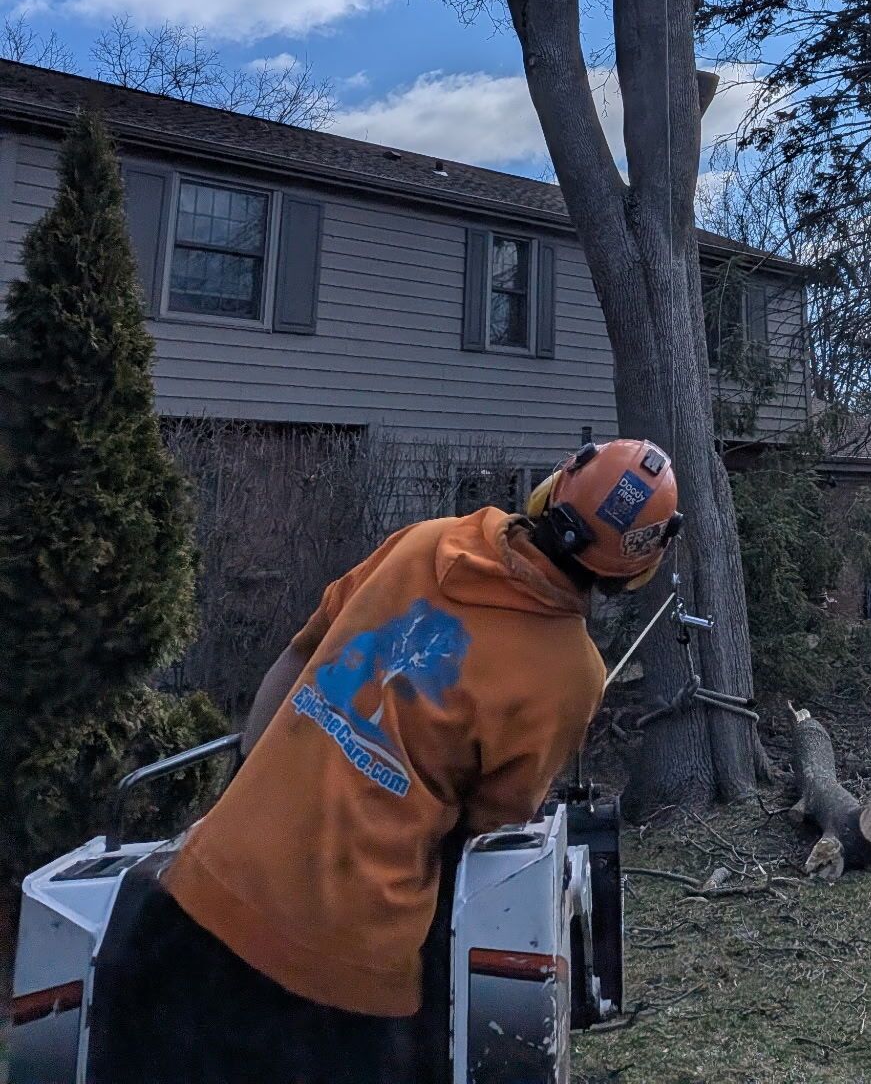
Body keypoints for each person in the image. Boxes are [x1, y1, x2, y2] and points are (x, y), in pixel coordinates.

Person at [89, 440, 682, 1084]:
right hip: (341, 977)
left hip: (198, 896)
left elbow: (296, 660)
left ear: (553, 485)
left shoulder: (423, 543)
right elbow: (490, 834)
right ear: (632, 569)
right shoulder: (570, 675)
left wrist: (249, 801)